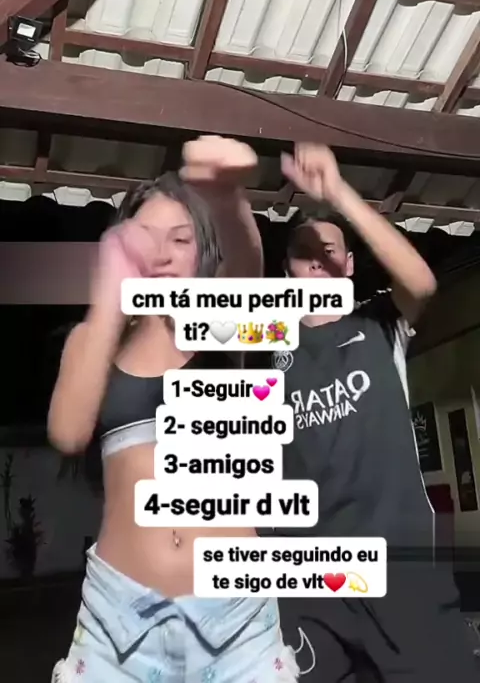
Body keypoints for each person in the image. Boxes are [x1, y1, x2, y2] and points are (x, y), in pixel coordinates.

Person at [49, 135, 298, 683]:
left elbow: (247, 264)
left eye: (180, 239)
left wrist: (228, 195)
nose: (160, 255)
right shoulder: (93, 339)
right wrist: (110, 299)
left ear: (201, 254)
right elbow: (68, 432)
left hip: (237, 622)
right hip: (118, 623)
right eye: (143, 240)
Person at [258, 143, 478, 682]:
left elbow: (422, 284)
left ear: (350, 265)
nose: (319, 260)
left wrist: (338, 192)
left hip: (398, 571)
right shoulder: (264, 355)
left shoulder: (379, 327)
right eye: (305, 253)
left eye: (331, 250)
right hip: (308, 583)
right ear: (288, 271)